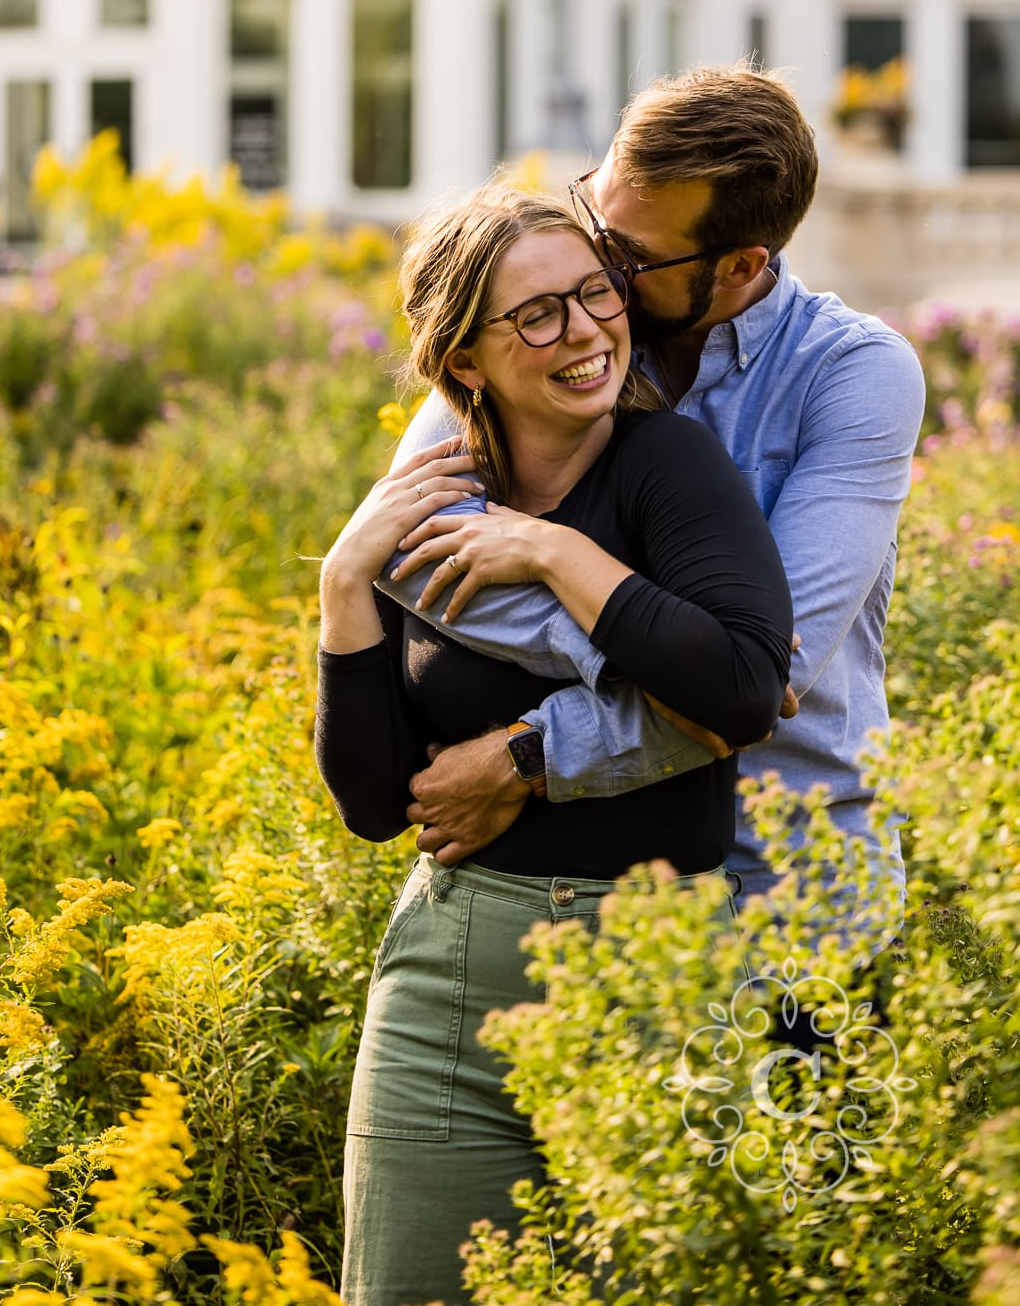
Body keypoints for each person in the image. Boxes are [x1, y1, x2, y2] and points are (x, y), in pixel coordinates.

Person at [314, 187, 793, 1306]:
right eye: (536, 315)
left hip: (654, 973)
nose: (584, 331)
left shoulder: (666, 468)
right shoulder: (428, 504)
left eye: (592, 294)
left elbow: (740, 684)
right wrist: (343, 585)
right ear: (464, 358)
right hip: (451, 990)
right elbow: (380, 804)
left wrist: (549, 556)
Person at [379, 64, 926, 955]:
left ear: (741, 264)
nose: (594, 267)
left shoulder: (851, 374)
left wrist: (529, 752)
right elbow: (418, 559)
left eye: (626, 259)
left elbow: (762, 684)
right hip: (562, 882)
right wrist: (677, 652)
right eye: (592, 211)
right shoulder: (548, 329)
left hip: (786, 886)